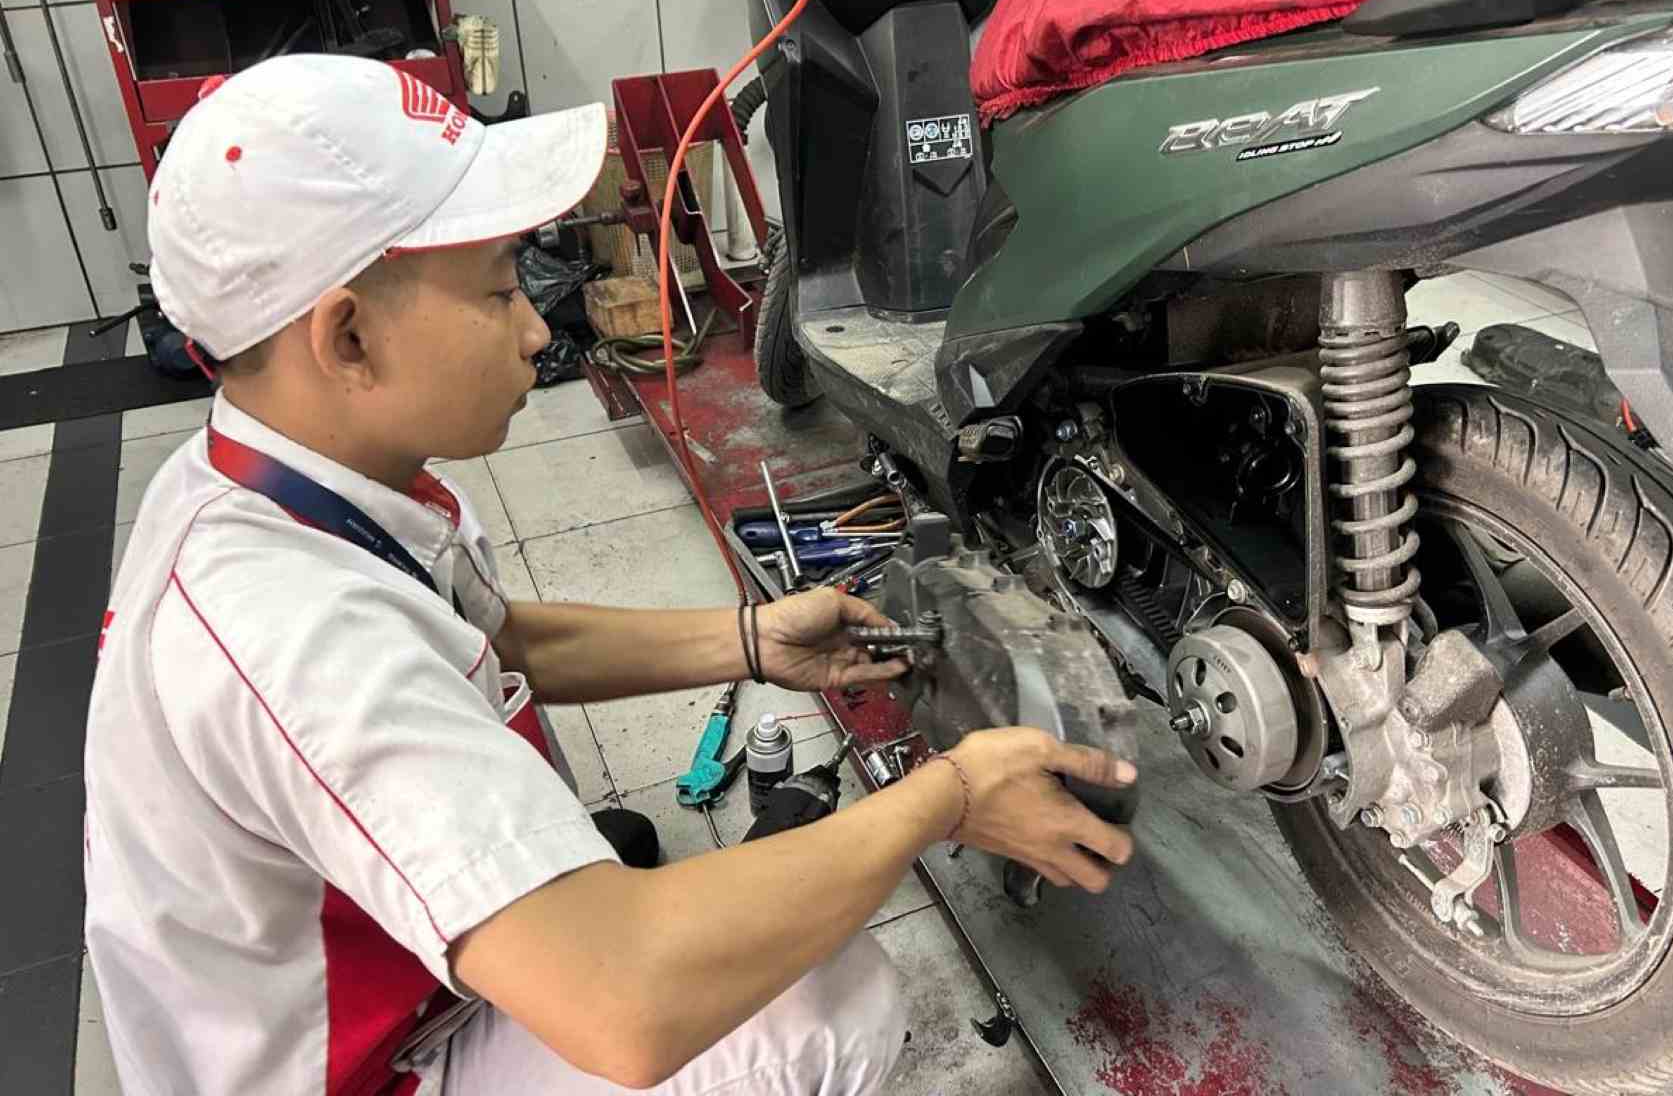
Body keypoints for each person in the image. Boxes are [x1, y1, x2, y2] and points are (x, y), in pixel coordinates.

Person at [84, 54, 1137, 1096]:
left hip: (383, 973)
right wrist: (947, 799)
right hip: (368, 1069)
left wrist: (750, 641)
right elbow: (626, 1005)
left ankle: (533, 915)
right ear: (347, 337)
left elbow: (494, 642)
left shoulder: (288, 476)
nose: (536, 326)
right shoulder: (292, 631)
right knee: (821, 1008)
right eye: (500, 290)